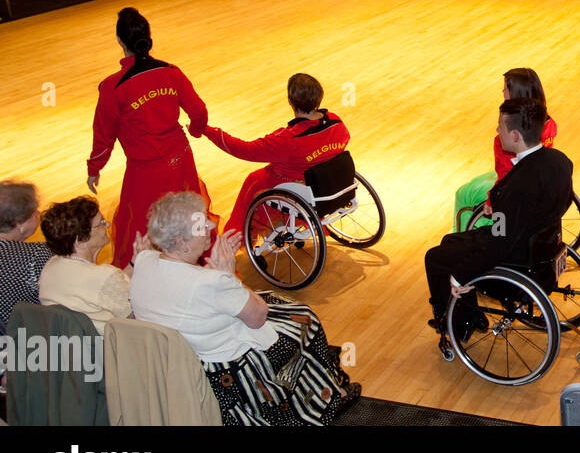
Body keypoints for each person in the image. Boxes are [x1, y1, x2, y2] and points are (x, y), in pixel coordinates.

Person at [130, 192, 357, 425]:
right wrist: (228, 276)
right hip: (229, 370)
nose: (209, 224)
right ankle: (322, 397)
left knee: (274, 302)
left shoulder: (144, 259)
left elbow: (185, 292)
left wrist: (220, 279)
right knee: (304, 318)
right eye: (201, 224)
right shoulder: (211, 283)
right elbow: (258, 317)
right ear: (182, 242)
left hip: (176, 360)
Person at [425, 97, 573, 344]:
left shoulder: (513, 188)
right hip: (541, 243)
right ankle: (469, 315)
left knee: (436, 257)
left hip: (516, 258)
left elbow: (499, 243)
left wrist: (460, 276)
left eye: (500, 127)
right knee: (450, 240)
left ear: (515, 136)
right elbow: (565, 201)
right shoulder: (560, 161)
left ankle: (456, 322)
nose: (497, 131)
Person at [87, 8, 212, 269]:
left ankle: (147, 274)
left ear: (120, 41)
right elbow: (199, 112)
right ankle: (192, 262)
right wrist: (196, 130)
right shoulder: (171, 72)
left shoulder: (113, 87)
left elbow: (103, 135)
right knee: (186, 214)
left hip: (145, 169)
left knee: (143, 225)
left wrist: (94, 168)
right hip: (180, 160)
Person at [200, 74, 349, 242]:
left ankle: (240, 236)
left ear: (290, 101)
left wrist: (208, 131)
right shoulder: (336, 121)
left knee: (254, 180)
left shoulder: (287, 140)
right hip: (330, 181)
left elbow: (244, 150)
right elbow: (344, 139)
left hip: (301, 186)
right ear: (319, 97)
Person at [452, 69, 557, 232]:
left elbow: (505, 176)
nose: (502, 91)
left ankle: (466, 234)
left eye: (505, 89)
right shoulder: (548, 122)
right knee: (477, 182)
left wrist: (491, 198)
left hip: (515, 185)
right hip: (537, 178)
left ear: (516, 93)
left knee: (463, 194)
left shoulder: (507, 140)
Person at [38, 197, 137, 333]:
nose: (108, 224)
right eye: (101, 223)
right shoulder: (104, 276)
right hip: (106, 348)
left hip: (67, 347)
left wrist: (133, 263)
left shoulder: (51, 265)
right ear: (81, 241)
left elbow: (107, 289)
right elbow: (137, 314)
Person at [0, 181, 51, 337]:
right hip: (27, 342)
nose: (39, 213)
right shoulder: (36, 255)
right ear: (20, 224)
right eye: (35, 212)